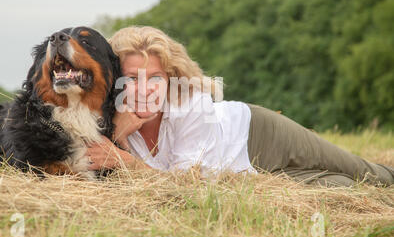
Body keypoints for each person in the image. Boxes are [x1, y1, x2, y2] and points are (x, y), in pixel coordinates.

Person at [86, 26, 394, 187]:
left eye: (155, 77)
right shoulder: (110, 120)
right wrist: (122, 139)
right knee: (343, 188)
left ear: (172, 77)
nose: (143, 89)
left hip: (262, 134)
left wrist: (125, 160)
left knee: (367, 174)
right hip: (248, 175)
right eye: (131, 78)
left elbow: (185, 185)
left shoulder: (191, 103)